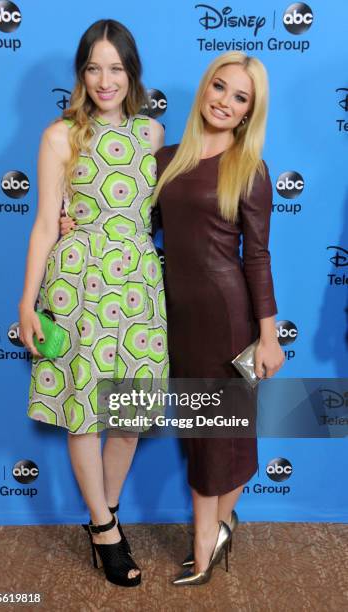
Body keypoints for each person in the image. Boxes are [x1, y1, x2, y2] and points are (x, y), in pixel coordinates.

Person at [19, 19, 168, 588]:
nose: (105, 80)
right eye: (93, 67)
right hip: (79, 283)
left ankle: (102, 517)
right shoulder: (61, 136)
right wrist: (26, 303)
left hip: (137, 285)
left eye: (115, 67)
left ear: (131, 72)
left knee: (127, 418)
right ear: (81, 73)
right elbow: (42, 226)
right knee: (84, 412)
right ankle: (106, 529)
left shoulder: (151, 135)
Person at [153, 51, 285, 585]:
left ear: (251, 111)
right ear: (205, 87)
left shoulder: (248, 169)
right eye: (220, 87)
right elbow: (138, 228)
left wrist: (269, 335)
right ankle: (221, 523)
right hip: (178, 316)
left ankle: (205, 540)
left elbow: (257, 255)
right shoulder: (167, 159)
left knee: (220, 434)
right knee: (197, 431)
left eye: (240, 97)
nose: (225, 102)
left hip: (228, 317)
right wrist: (76, 222)